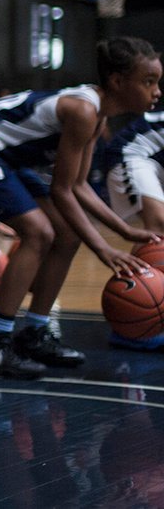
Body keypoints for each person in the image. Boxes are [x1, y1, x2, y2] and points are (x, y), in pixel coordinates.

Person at [0, 36, 161, 378]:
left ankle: (34, 333)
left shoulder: (97, 115)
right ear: (118, 82)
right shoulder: (83, 110)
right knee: (38, 233)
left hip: (7, 158)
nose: (157, 91)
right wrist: (104, 248)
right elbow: (62, 191)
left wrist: (124, 230)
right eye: (148, 82)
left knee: (68, 235)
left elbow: (78, 186)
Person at [106, 107, 164, 350]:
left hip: (155, 160)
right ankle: (134, 325)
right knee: (158, 226)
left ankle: (139, 315)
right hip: (131, 153)